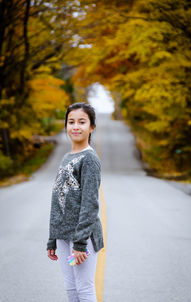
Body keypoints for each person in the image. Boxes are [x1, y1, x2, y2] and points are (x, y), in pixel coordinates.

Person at [46, 102, 104, 302]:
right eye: (71, 122)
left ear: (92, 127)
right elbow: (58, 201)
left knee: (84, 289)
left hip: (82, 238)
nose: (76, 126)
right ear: (66, 126)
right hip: (63, 237)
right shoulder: (67, 157)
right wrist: (53, 237)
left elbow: (90, 204)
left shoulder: (89, 159)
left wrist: (79, 243)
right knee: (71, 289)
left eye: (82, 122)